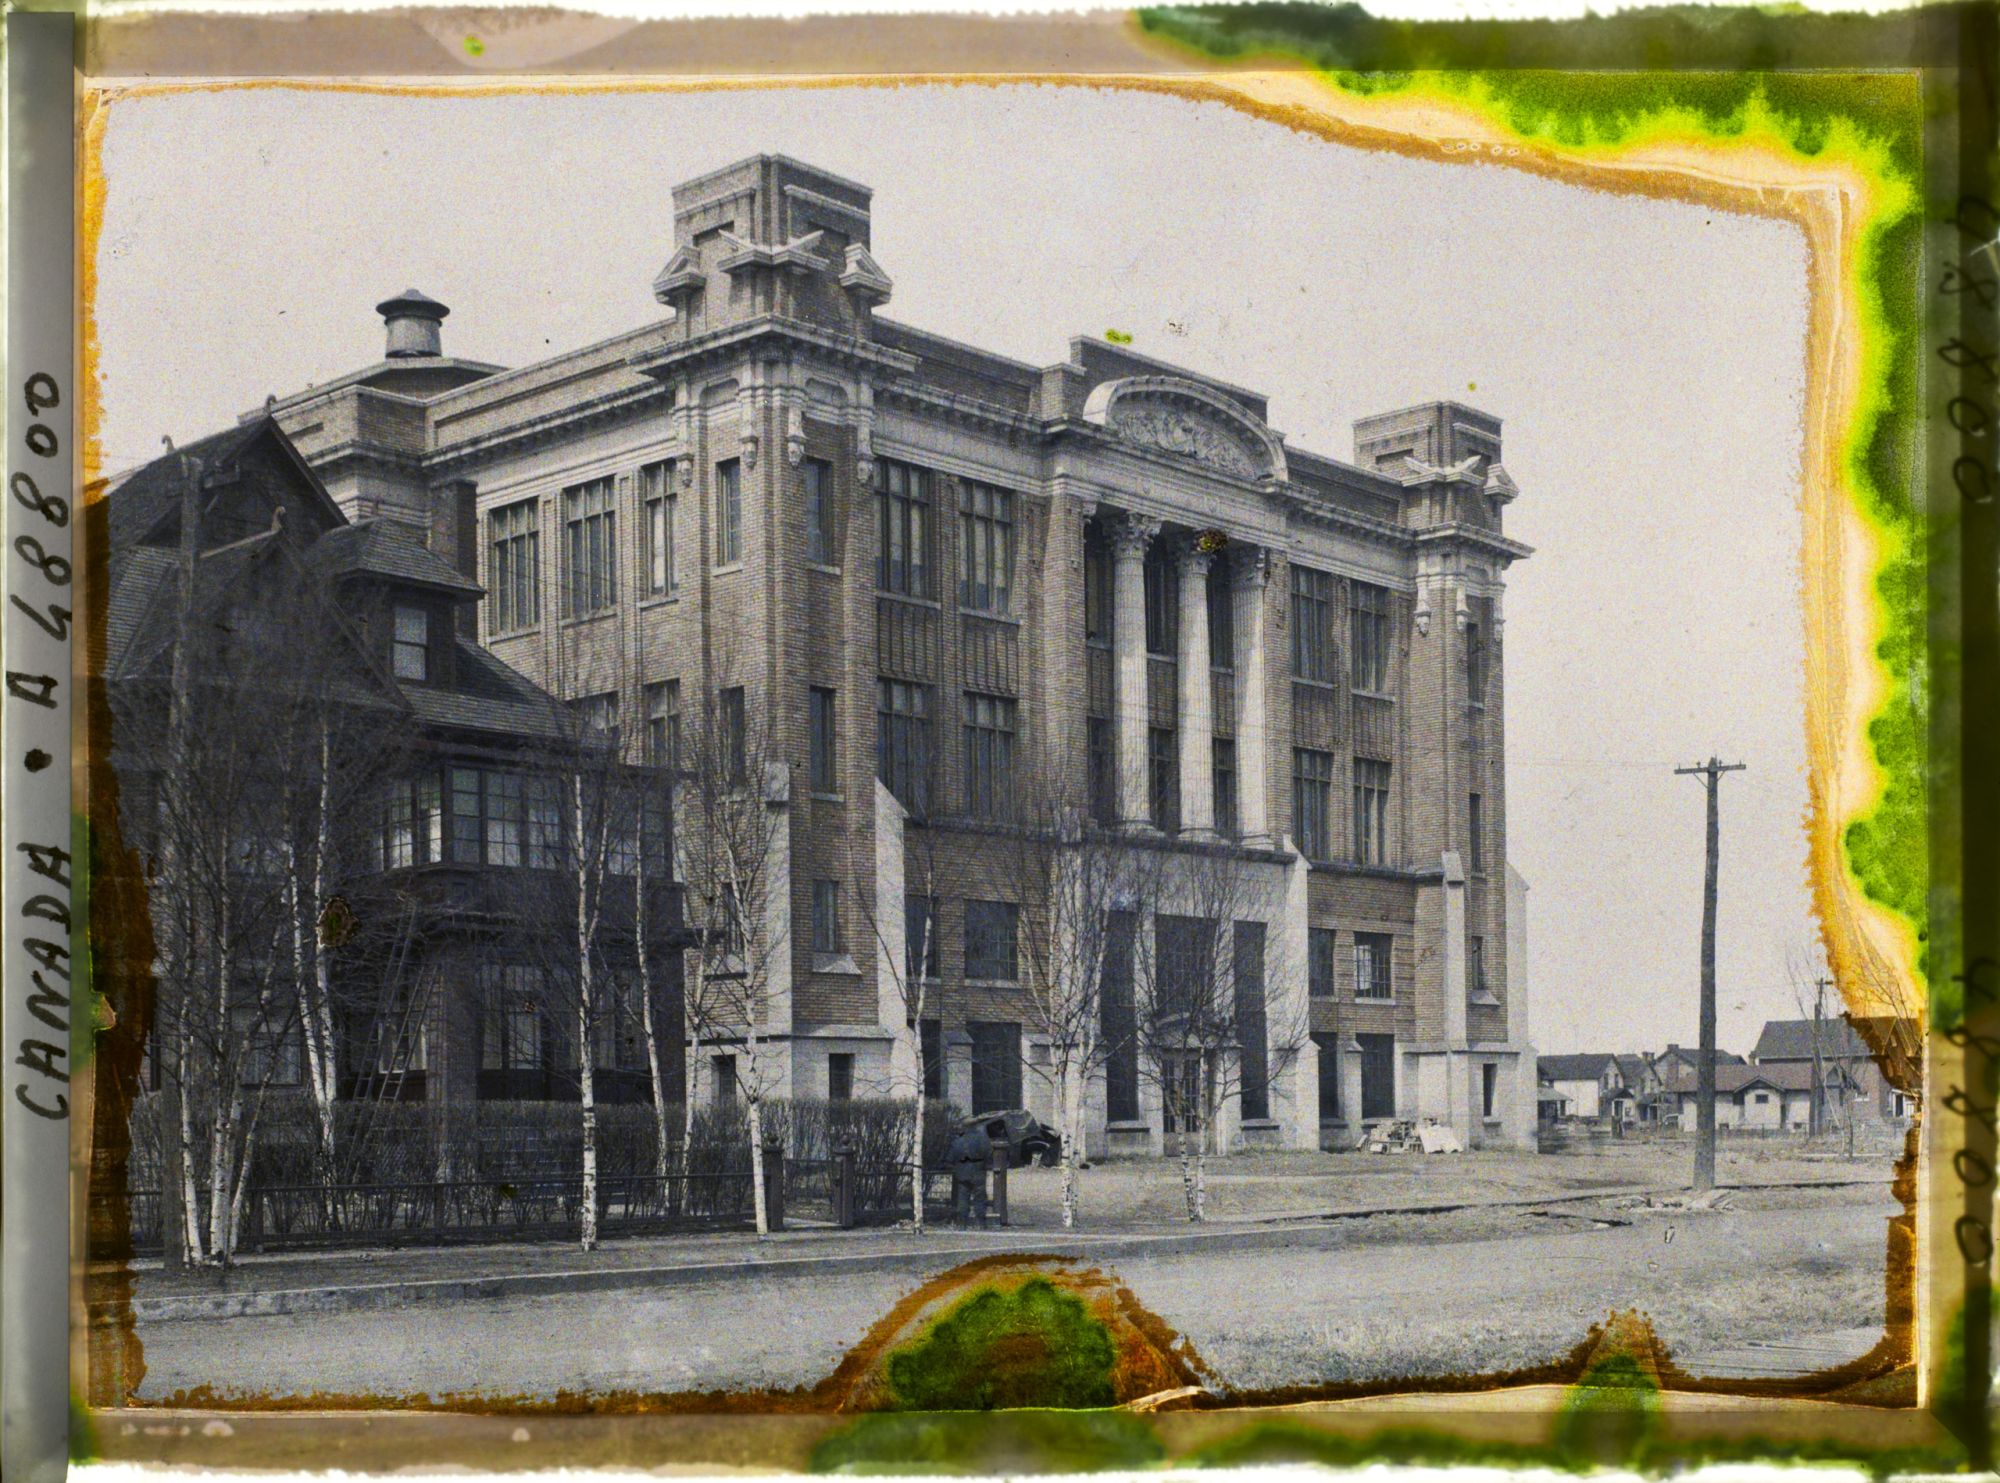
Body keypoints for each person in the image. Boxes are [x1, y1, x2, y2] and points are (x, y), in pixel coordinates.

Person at [947, 1121, 992, 1228]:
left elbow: (950, 1158)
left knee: (962, 1198)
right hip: (978, 1171)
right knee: (980, 1198)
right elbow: (989, 1154)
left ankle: (962, 1223)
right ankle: (981, 1223)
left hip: (962, 1172)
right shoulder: (982, 1140)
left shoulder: (957, 1141)